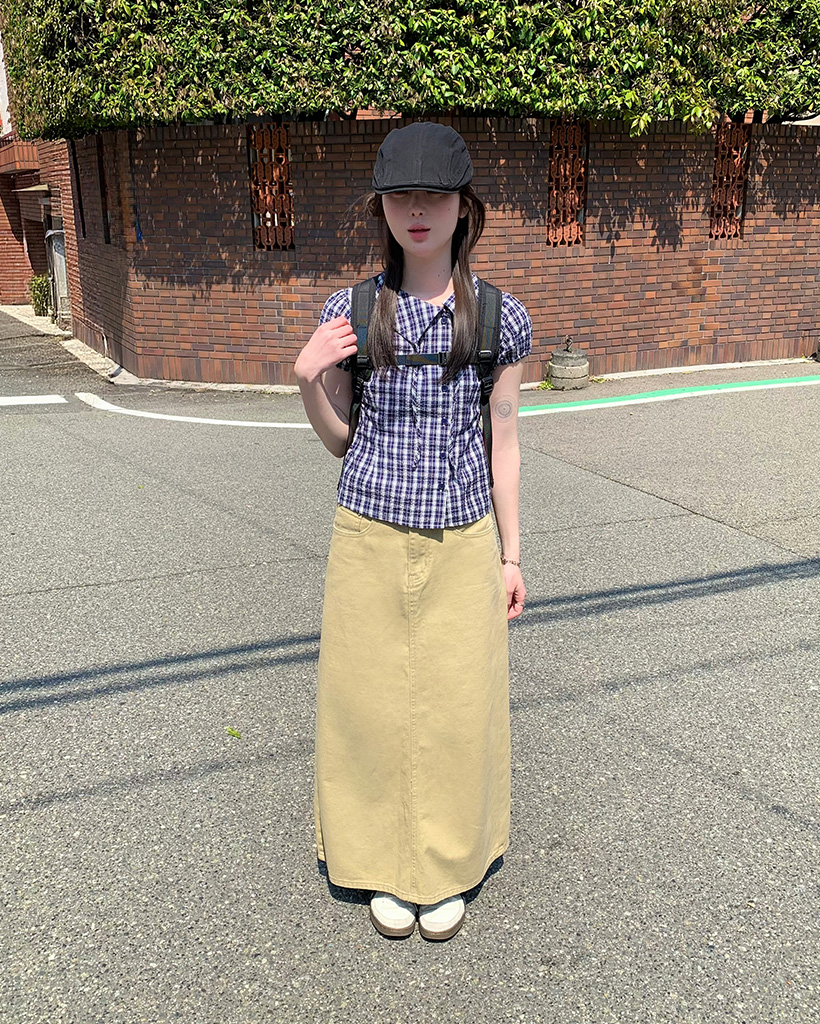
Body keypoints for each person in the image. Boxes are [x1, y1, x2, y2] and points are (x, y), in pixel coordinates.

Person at [294, 121, 531, 941]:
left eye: (435, 196)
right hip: (366, 533)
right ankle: (382, 865)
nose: (418, 211)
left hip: (463, 538)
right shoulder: (353, 311)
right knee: (366, 704)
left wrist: (511, 554)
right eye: (402, 197)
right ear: (382, 209)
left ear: (465, 207)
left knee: (458, 707)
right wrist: (307, 381)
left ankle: (444, 867)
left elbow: (504, 439)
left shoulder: (498, 317)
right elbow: (340, 440)